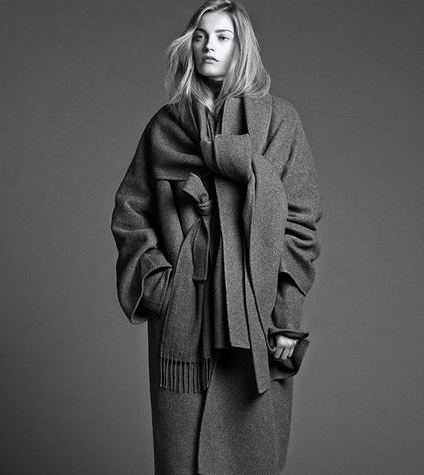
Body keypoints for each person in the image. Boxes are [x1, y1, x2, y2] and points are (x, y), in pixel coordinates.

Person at [111, 1, 323, 474]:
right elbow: (130, 213)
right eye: (201, 36)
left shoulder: (279, 122)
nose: (209, 46)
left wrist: (285, 317)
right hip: (184, 324)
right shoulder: (165, 127)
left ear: (241, 47)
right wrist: (161, 285)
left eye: (223, 37)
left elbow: (301, 224)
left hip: (256, 322)